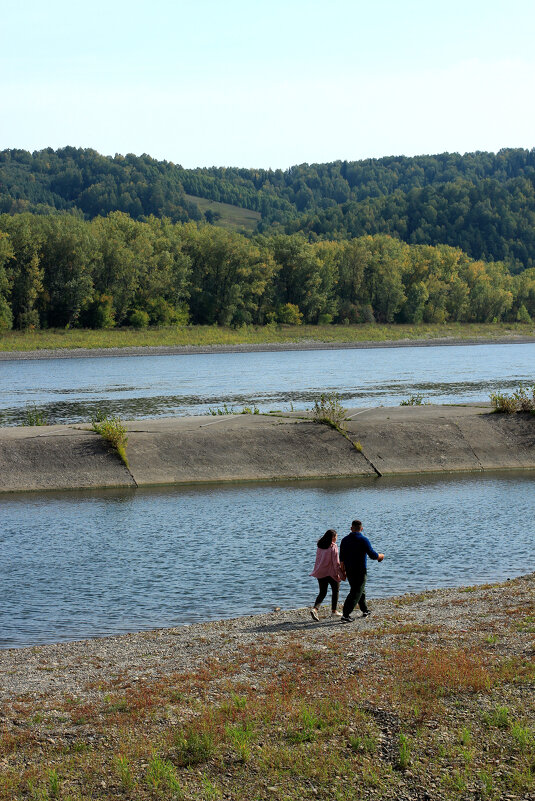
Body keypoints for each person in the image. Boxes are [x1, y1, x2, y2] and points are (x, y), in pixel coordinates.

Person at [339, 519, 384, 624]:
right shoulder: (363, 540)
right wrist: (381, 556)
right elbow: (372, 555)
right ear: (361, 528)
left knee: (360, 590)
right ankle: (345, 614)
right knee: (356, 591)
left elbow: (341, 558)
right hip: (360, 570)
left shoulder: (344, 540)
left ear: (351, 528)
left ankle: (365, 610)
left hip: (349, 570)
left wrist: (343, 571)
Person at [310, 529, 345, 621]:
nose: (336, 539)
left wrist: (316, 570)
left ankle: (315, 609)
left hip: (320, 572)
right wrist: (341, 574)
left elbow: (318, 560)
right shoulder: (333, 546)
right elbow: (336, 563)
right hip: (331, 572)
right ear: (333, 537)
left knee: (322, 592)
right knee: (335, 590)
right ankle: (334, 611)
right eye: (336, 537)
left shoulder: (320, 546)